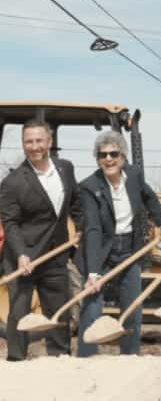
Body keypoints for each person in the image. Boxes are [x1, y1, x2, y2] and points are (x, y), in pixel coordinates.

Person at [75, 131, 161, 357]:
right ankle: (86, 358)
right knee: (91, 306)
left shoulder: (134, 175)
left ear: (123, 156)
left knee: (132, 306)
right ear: (97, 158)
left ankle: (129, 357)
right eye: (103, 155)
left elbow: (149, 197)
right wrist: (93, 272)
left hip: (129, 248)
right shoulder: (90, 186)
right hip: (100, 250)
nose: (108, 159)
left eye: (114, 154)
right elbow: (93, 229)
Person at [0, 119, 83, 361]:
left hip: (56, 254)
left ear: (49, 142)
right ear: (23, 144)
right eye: (28, 141)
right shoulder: (12, 183)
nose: (34, 146)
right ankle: (16, 359)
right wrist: (22, 254)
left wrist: (80, 228)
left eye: (38, 140)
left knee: (58, 311)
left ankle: (60, 358)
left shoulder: (65, 168)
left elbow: (76, 202)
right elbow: (11, 224)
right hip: (22, 258)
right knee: (19, 312)